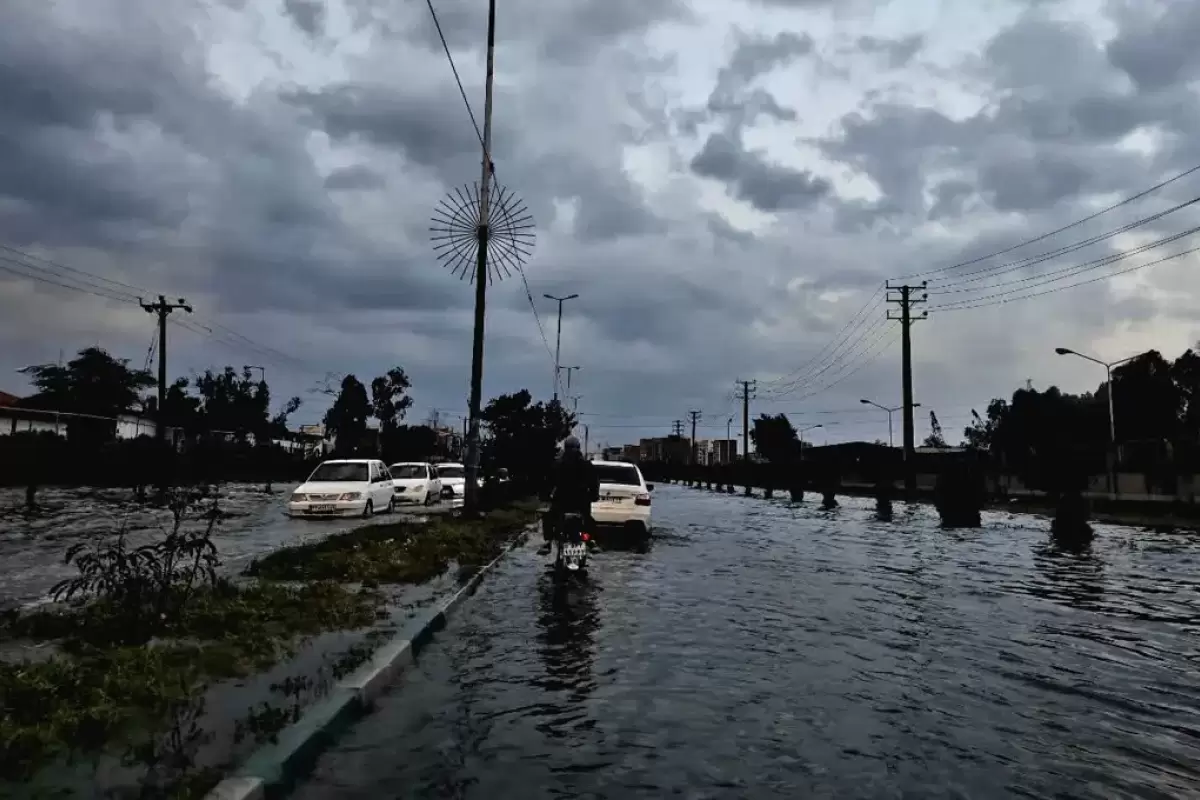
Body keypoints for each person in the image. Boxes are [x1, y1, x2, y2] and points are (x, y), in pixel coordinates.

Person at [540, 435, 599, 555]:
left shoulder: (558, 463)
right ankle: (590, 541)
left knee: (549, 518)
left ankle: (548, 542)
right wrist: (594, 495)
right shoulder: (586, 464)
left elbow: (548, 482)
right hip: (580, 500)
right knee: (587, 521)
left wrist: (545, 495)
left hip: (562, 500)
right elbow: (594, 482)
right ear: (579, 448)